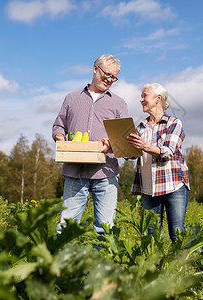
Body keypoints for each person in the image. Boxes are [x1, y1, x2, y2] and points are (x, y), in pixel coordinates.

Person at [52, 54, 128, 235]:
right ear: (95, 69)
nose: (109, 80)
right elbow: (58, 125)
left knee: (105, 228)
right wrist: (60, 136)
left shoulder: (118, 103)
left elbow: (124, 140)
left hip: (106, 173)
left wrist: (111, 143)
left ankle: (100, 263)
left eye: (113, 77)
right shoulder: (72, 98)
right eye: (107, 74)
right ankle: (61, 262)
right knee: (66, 227)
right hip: (74, 171)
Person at [127, 83, 189, 243]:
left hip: (173, 185)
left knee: (177, 234)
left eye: (144, 96)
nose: (141, 100)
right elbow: (131, 156)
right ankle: (154, 268)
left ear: (158, 98)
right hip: (149, 189)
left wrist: (144, 146)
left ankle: (182, 268)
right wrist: (118, 144)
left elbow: (168, 151)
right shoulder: (140, 127)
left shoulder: (173, 123)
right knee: (152, 236)